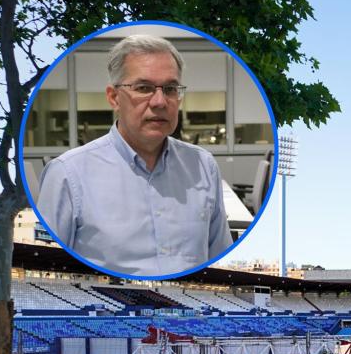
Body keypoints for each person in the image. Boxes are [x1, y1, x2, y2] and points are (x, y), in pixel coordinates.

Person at [36, 34, 233, 276]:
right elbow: (46, 266)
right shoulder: (68, 174)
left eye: (170, 89)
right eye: (143, 88)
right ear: (114, 97)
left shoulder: (203, 166)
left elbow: (219, 256)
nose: (160, 101)